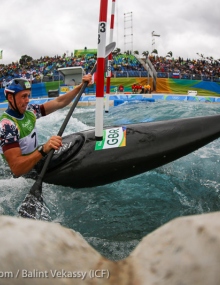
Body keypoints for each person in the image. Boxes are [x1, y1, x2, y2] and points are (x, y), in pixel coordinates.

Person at [0, 75, 92, 177]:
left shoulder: (30, 111)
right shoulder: (6, 126)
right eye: (23, 96)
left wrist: (80, 87)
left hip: (34, 161)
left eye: (28, 96)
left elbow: (59, 102)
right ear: (10, 98)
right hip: (19, 177)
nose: (27, 100)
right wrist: (43, 150)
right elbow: (17, 169)